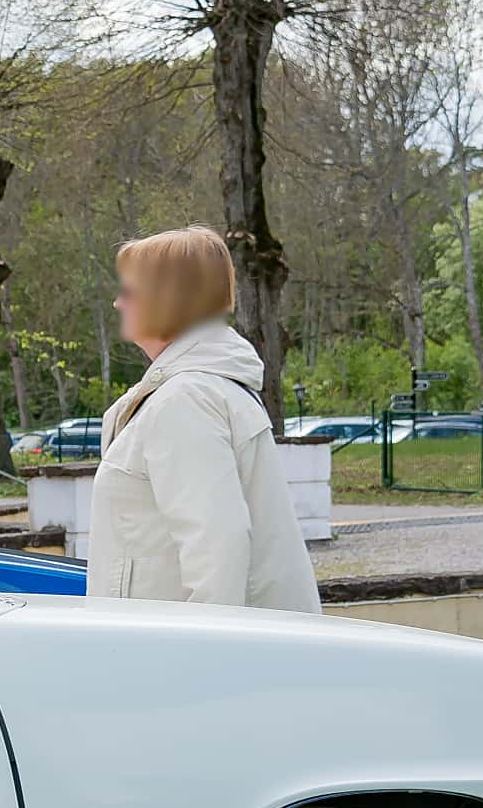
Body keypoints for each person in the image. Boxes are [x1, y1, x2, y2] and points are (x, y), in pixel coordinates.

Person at [83, 224, 323, 614]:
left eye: (128, 291)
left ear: (165, 300)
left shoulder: (185, 399)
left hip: (178, 645)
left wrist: (201, 648)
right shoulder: (203, 388)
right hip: (181, 639)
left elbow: (217, 548)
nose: (117, 304)